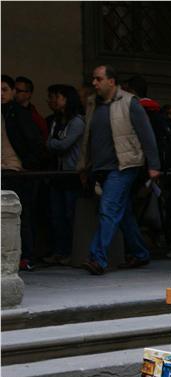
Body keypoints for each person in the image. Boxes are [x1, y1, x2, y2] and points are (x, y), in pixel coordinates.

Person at [76, 65, 160, 275]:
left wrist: (154, 165)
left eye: (98, 79)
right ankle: (140, 253)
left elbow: (146, 134)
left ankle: (97, 258)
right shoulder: (93, 104)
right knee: (123, 214)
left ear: (111, 81)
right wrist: (84, 165)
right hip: (101, 168)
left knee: (108, 208)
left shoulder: (129, 102)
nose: (94, 83)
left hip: (124, 166)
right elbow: (88, 137)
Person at [2, 74, 44, 270]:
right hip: (5, 169)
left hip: (16, 170)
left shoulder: (18, 113)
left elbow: (34, 142)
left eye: (4, 90)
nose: (0, 94)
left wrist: (29, 164)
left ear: (12, 92)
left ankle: (26, 255)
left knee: (20, 215)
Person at [45, 85, 85, 265]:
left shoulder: (77, 121)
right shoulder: (56, 120)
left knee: (70, 216)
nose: (53, 100)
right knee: (57, 215)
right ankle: (59, 251)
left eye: (57, 97)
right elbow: (51, 143)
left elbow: (63, 145)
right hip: (58, 173)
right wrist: (54, 143)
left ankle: (71, 252)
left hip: (72, 174)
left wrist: (53, 143)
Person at [14, 76, 48, 141]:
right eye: (13, 90)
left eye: (18, 91)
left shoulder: (36, 118)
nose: (14, 93)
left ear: (28, 94)